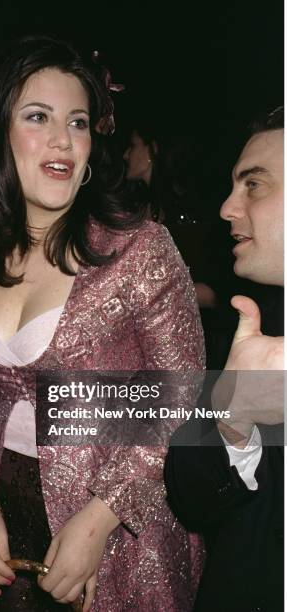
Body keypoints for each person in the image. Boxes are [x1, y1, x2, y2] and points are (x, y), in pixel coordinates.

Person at [0, 35, 205, 612]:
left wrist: (102, 517)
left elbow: (182, 394)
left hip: (117, 530)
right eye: (37, 116)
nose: (62, 139)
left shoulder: (140, 251)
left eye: (78, 122)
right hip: (0, 517)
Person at [164, 106, 284, 612]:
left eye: (253, 185)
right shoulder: (255, 328)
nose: (226, 208)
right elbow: (189, 496)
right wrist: (234, 417)